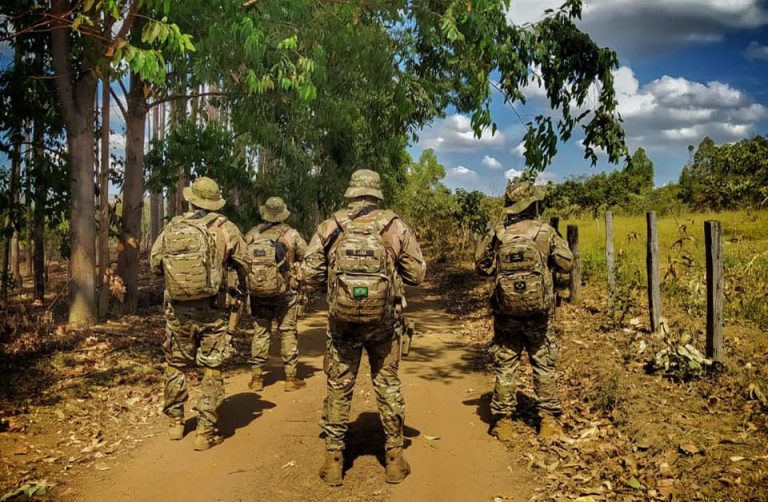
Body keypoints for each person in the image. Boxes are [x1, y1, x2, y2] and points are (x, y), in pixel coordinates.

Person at [301, 169, 426, 486]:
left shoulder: (333, 225)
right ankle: (395, 460)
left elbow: (308, 272)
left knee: (339, 386)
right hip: (384, 324)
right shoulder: (393, 225)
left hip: (342, 324)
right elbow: (417, 275)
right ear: (377, 193)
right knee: (387, 385)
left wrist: (335, 289)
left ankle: (333, 462)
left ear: (352, 193)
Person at [150, 176, 249, 451]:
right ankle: (205, 431)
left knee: (175, 364)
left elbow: (154, 264)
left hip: (178, 311)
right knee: (212, 367)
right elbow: (245, 264)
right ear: (215, 201)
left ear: (191, 199)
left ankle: (175, 423)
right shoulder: (226, 228)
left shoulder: (174, 226)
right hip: (214, 311)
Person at [475, 180, 573, 442]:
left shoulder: (498, 233)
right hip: (539, 313)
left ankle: (504, 422)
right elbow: (566, 264)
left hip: (506, 311)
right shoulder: (546, 231)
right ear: (533, 203)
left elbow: (481, 265)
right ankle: (548, 422)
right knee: (543, 361)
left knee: (506, 363)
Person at [245, 196, 308, 392]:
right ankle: (290, 378)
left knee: (261, 331)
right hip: (285, 292)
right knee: (287, 331)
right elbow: (306, 256)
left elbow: (242, 258)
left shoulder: (254, 234)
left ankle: (256, 378)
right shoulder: (291, 235)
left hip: (258, 292)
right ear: (282, 213)